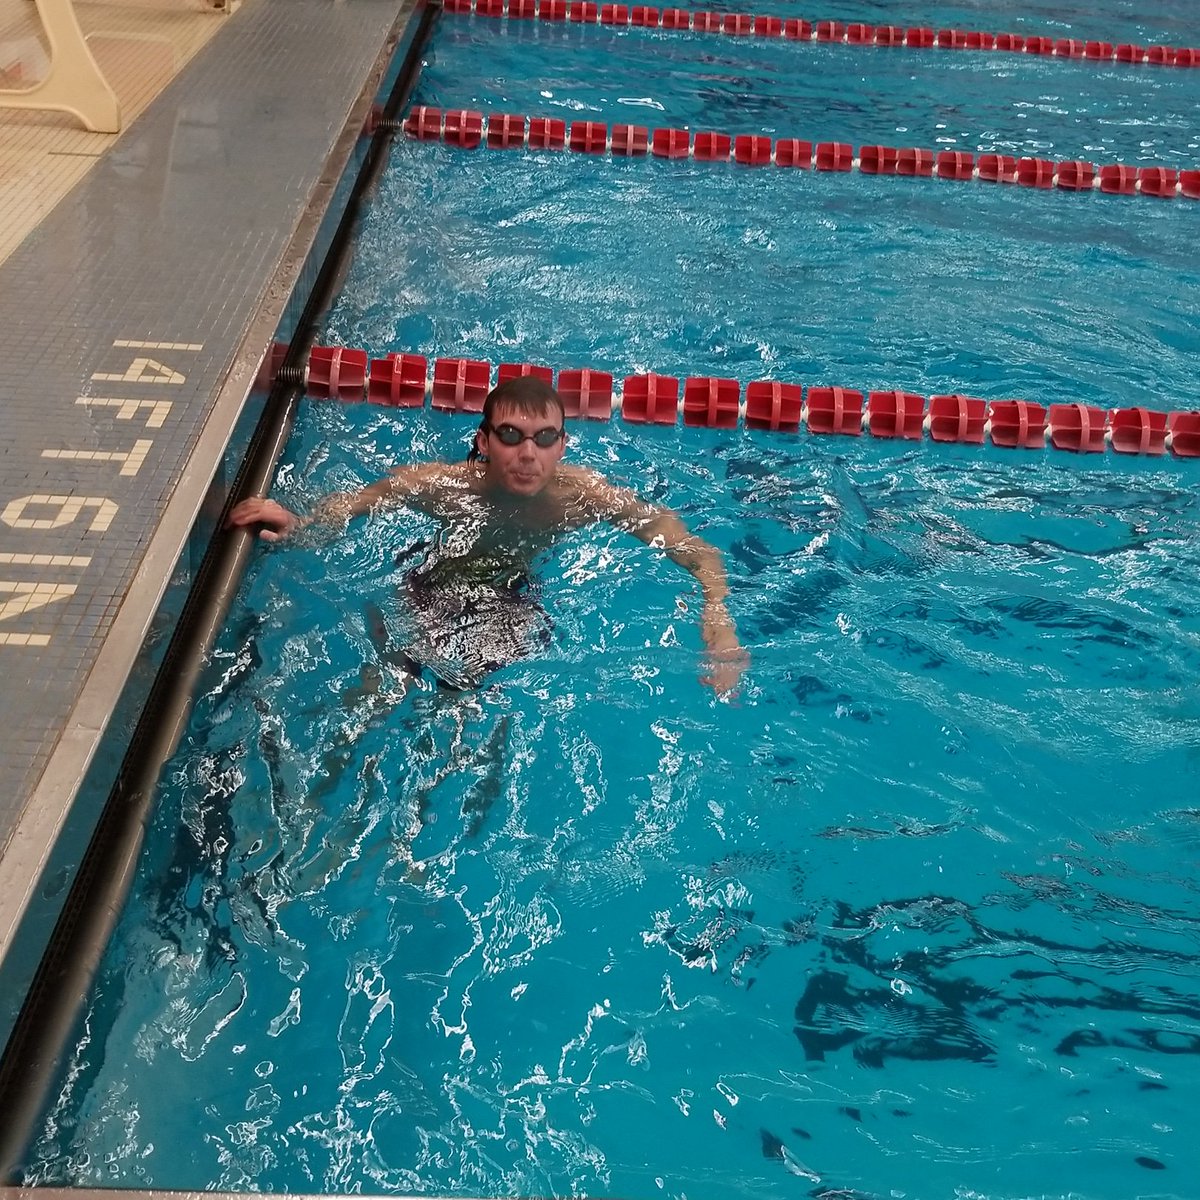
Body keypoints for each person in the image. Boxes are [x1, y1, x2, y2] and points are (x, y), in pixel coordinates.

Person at [226, 376, 748, 694]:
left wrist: (719, 618)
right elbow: (352, 507)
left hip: (508, 600)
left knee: (462, 714)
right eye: (511, 436)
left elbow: (694, 551)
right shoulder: (443, 486)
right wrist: (299, 526)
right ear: (484, 441)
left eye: (544, 438)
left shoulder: (582, 497)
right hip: (427, 585)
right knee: (379, 693)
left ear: (562, 445)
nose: (528, 454)